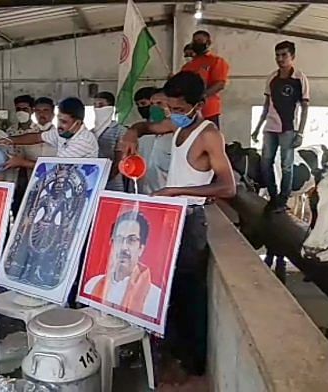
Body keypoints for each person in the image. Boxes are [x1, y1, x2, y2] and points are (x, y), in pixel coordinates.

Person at [121, 71, 236, 385]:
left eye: (178, 109)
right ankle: (169, 352)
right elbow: (148, 126)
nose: (171, 114)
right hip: (169, 216)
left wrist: (178, 192)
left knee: (189, 294)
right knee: (167, 289)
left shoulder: (208, 134)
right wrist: (133, 131)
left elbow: (228, 187)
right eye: (168, 107)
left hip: (189, 221)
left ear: (199, 105)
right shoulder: (176, 125)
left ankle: (193, 364)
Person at [251, 41, 310, 212]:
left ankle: (283, 201)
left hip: (288, 128)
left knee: (286, 165)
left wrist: (300, 133)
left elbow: (305, 107)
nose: (280, 58)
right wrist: (257, 128)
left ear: (293, 56)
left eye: (284, 55)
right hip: (269, 128)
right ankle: (273, 197)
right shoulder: (272, 78)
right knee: (265, 163)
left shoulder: (299, 79)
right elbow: (266, 105)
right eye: (277, 55)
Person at [83, 211, 161, 318]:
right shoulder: (92, 285)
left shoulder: (156, 298)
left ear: (141, 249)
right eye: (119, 239)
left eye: (131, 240)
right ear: (112, 245)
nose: (124, 247)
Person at [1, 97, 98, 159]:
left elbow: (56, 166)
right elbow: (37, 137)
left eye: (64, 122)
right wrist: (9, 140)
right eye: (59, 120)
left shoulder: (83, 140)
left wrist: (21, 163)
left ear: (77, 123)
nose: (59, 125)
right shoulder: (63, 133)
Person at [181, 30, 230, 128]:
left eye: (199, 40)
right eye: (194, 41)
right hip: (188, 111)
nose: (196, 43)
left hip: (208, 110)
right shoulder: (188, 66)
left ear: (208, 43)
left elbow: (220, 84)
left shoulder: (216, 61)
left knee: (209, 139)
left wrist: (201, 97)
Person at [92, 91, 125, 191]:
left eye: (101, 105)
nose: (97, 109)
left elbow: (119, 161)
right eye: (95, 106)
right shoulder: (91, 132)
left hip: (113, 183)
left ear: (110, 108)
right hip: (93, 181)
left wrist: (106, 178)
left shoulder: (120, 130)